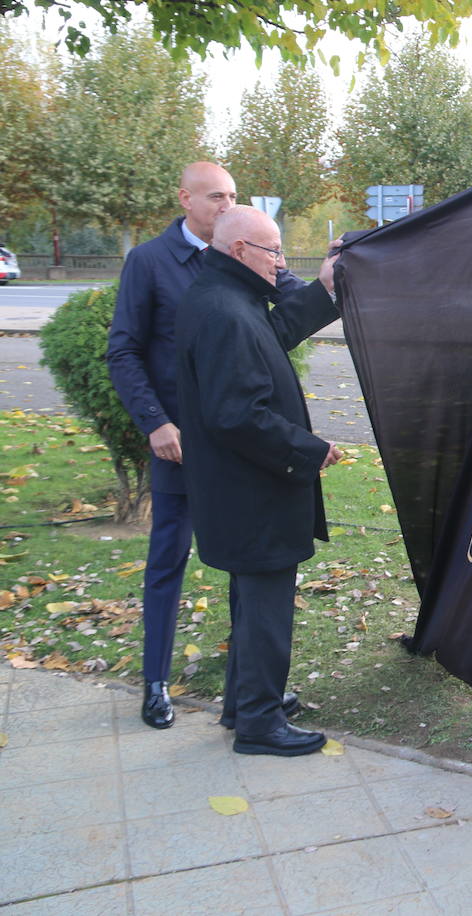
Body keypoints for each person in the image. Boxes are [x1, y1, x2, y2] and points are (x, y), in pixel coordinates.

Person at [107, 162, 306, 729]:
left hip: (234, 451)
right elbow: (124, 350)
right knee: (168, 560)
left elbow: (290, 303)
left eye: (233, 195)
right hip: (180, 444)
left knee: (249, 567)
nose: (226, 203)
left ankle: (248, 695)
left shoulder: (246, 255)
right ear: (186, 199)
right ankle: (155, 681)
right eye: (216, 195)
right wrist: (156, 423)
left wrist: (338, 279)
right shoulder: (150, 262)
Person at [175, 206, 342, 756]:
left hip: (241, 491)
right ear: (241, 249)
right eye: (273, 251)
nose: (281, 262)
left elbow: (271, 335)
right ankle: (260, 725)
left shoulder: (226, 295)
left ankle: (245, 702)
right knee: (266, 609)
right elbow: (237, 415)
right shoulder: (226, 311)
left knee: (252, 601)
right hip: (253, 493)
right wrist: (312, 451)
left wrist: (323, 288)